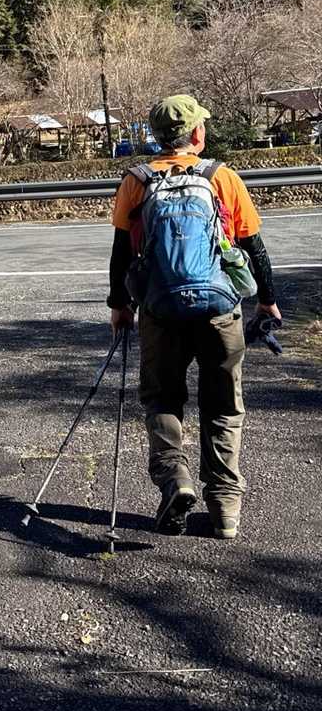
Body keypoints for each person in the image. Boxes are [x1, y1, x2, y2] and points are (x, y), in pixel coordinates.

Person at [108, 94, 281, 540]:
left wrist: (120, 305)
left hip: (160, 310)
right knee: (223, 404)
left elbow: (122, 251)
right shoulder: (221, 177)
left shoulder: (136, 181)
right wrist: (267, 300)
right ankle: (224, 507)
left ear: (156, 137)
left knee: (163, 399)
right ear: (198, 134)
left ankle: (175, 480)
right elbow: (253, 245)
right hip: (219, 309)